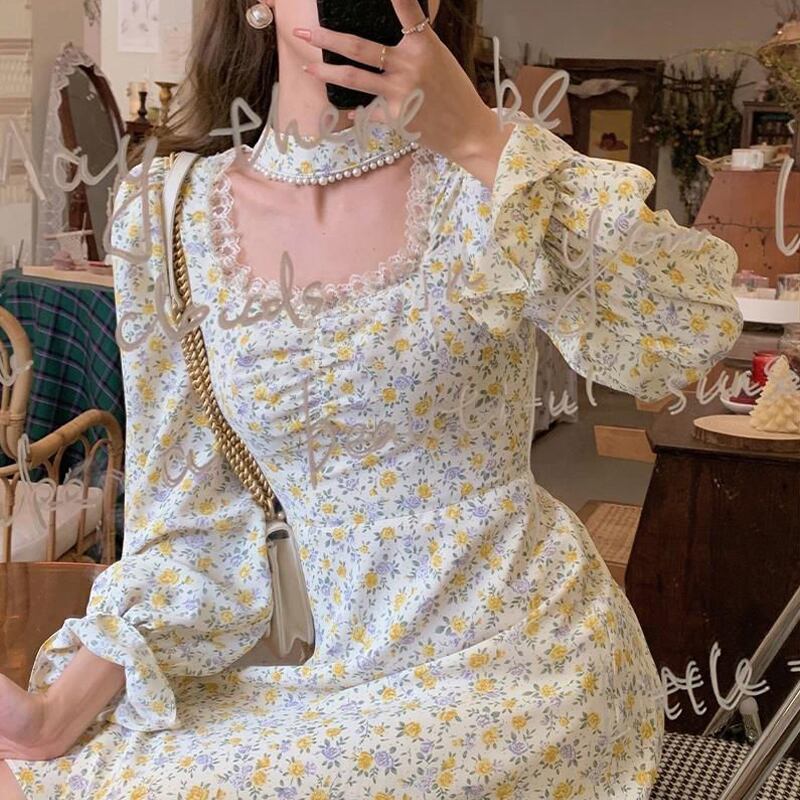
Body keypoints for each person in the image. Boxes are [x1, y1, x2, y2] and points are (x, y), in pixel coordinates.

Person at [1, 0, 743, 796]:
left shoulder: (489, 176)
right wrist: (54, 715)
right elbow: (191, 516)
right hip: (312, 673)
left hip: (518, 666)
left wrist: (478, 139)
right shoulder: (169, 213)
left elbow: (687, 331)